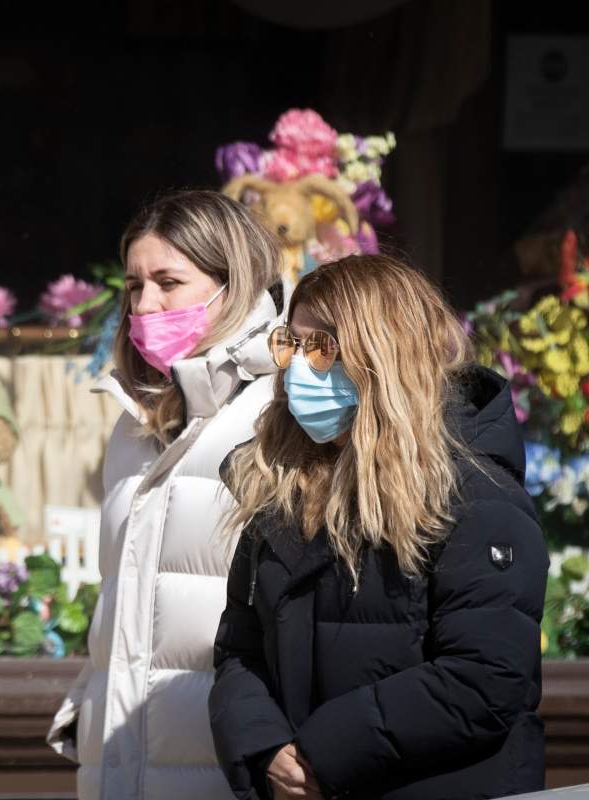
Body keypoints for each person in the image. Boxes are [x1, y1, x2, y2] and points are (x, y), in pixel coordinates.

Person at [210, 255, 547, 800]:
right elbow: (239, 650)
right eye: (291, 344)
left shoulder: (478, 499)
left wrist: (322, 755)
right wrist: (264, 749)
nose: (298, 366)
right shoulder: (282, 486)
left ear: (385, 358)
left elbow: (484, 679)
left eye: (321, 346)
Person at [48, 189, 284, 799]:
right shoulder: (134, 422)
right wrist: (91, 703)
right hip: (126, 760)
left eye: (168, 281)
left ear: (233, 285)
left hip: (226, 764)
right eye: (133, 285)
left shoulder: (279, 414)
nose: (145, 304)